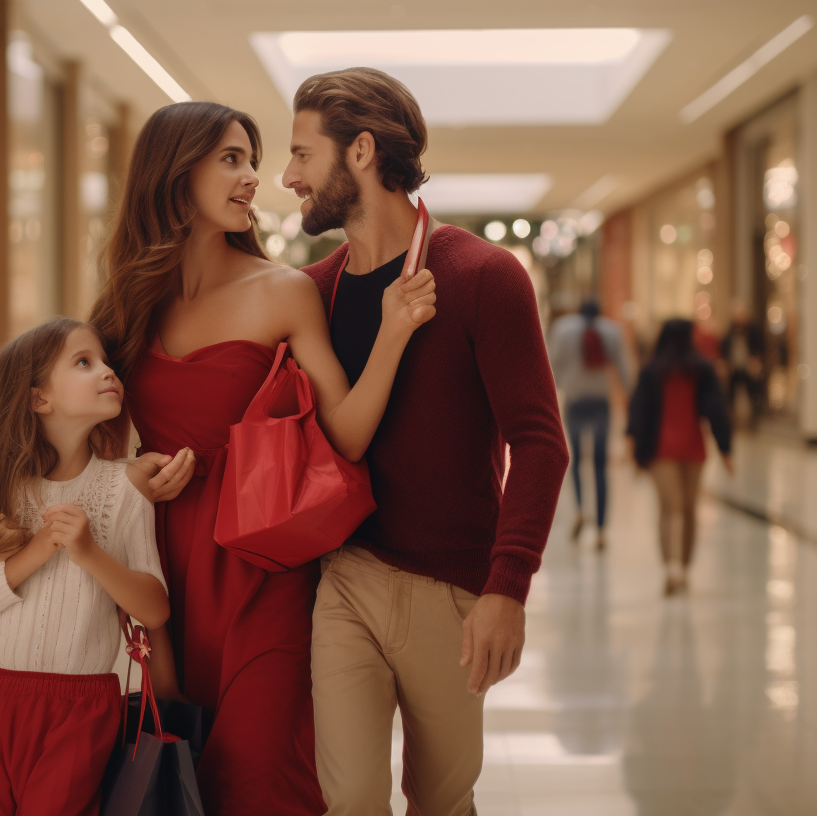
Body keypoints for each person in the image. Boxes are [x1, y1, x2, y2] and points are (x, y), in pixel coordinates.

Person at [87, 100, 437, 816]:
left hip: (261, 567)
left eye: (252, 159)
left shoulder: (284, 290)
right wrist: (124, 476)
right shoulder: (123, 308)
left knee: (258, 768)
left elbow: (348, 437)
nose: (253, 177)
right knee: (176, 767)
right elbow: (76, 456)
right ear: (174, 173)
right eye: (231, 159)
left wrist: (394, 333)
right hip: (157, 572)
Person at [284, 68, 570, 815]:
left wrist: (508, 588)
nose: (288, 176)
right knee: (347, 798)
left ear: (361, 152)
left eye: (302, 155)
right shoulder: (315, 290)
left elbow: (540, 443)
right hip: (342, 578)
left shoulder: (483, 276)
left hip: (450, 589)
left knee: (442, 799)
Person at [0, 318, 172, 816]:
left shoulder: (124, 490)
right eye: (84, 362)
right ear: (38, 399)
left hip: (82, 707)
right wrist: (38, 550)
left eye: (106, 362)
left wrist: (89, 552)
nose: (107, 371)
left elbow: (154, 609)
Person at [626, 318, 733, 596]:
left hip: (662, 448)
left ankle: (671, 567)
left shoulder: (652, 370)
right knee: (688, 509)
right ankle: (682, 568)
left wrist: (635, 448)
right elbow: (716, 410)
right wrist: (725, 449)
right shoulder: (702, 368)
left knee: (669, 508)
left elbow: (638, 410)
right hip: (694, 446)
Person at [548, 298, 632, 549]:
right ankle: (602, 529)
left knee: (575, 461)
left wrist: (562, 385)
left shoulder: (563, 329)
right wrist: (631, 398)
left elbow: (552, 362)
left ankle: (581, 510)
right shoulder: (612, 330)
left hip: (575, 401)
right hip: (600, 402)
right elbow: (623, 367)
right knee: (599, 464)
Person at [720, 303, 765, 428]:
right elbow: (724, 349)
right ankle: (731, 421)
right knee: (731, 396)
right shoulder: (730, 332)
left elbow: (760, 348)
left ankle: (756, 420)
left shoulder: (753, 331)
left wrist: (756, 361)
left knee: (753, 393)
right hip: (734, 368)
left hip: (749, 367)